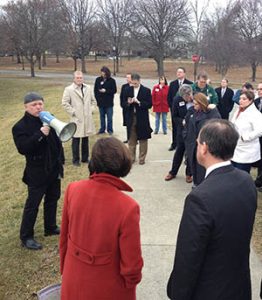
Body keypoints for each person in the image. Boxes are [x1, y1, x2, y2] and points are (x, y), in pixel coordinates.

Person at [167, 119, 257, 300]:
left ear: (204, 148)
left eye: (199, 142)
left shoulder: (199, 198)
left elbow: (188, 256)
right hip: (239, 286)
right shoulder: (246, 181)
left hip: (209, 290)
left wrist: (177, 293)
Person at [60, 137, 143, 300]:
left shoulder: (73, 189)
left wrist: (65, 269)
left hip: (73, 278)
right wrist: (131, 283)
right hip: (107, 288)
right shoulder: (128, 207)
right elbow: (131, 264)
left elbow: (64, 239)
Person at [12, 92, 63, 250]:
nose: (38, 107)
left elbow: (57, 142)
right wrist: (39, 134)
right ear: (26, 107)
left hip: (53, 168)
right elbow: (23, 148)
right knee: (32, 204)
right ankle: (26, 236)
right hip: (36, 171)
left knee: (53, 198)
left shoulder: (49, 118)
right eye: (34, 105)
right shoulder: (19, 127)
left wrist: (60, 160)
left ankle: (50, 227)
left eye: (40, 103)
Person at [184, 93, 221, 186]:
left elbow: (216, 125)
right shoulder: (192, 112)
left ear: (201, 103)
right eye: (193, 103)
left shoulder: (210, 113)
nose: (194, 105)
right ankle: (195, 184)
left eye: (196, 104)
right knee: (194, 167)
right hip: (192, 146)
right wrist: (186, 137)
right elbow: (186, 125)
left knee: (202, 170)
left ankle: (201, 186)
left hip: (204, 147)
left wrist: (214, 109)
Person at [62, 71, 96, 166]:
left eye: (81, 77)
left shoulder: (88, 88)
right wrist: (73, 112)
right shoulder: (69, 89)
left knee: (85, 139)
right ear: (74, 79)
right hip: (76, 119)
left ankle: (85, 159)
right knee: (76, 140)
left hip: (87, 118)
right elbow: (65, 103)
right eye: (77, 78)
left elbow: (93, 101)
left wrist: (91, 110)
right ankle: (75, 160)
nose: (79, 79)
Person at [165, 84, 193, 182]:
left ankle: (189, 174)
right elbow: (174, 116)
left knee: (190, 153)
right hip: (182, 131)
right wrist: (182, 121)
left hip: (193, 131)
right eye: (185, 97)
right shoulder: (177, 100)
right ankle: (173, 172)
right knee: (179, 151)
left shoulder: (195, 100)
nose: (187, 98)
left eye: (188, 96)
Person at [123, 73, 153, 165]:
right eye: (132, 83)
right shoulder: (127, 90)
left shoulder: (146, 90)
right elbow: (122, 103)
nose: (134, 85)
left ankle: (142, 158)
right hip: (131, 117)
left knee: (143, 138)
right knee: (132, 138)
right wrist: (129, 103)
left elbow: (149, 104)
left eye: (135, 83)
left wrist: (139, 102)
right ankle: (131, 158)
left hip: (142, 117)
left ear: (139, 81)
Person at [231, 90, 262, 173]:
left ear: (251, 100)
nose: (240, 100)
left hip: (246, 149)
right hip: (235, 147)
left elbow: (259, 130)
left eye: (244, 99)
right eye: (240, 98)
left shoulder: (255, 114)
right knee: (233, 172)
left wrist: (245, 137)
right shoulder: (238, 110)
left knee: (241, 173)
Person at [167, 67, 193, 151]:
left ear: (184, 73)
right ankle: (174, 143)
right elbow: (170, 97)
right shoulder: (173, 84)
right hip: (175, 109)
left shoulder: (189, 83)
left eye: (180, 72)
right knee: (175, 127)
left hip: (186, 110)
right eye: (177, 72)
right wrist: (172, 106)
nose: (178, 73)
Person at [94, 66, 117, 135]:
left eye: (104, 73)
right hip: (101, 102)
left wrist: (106, 91)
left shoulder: (112, 81)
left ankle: (110, 130)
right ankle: (102, 129)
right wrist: (97, 99)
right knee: (102, 117)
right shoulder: (98, 80)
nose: (102, 74)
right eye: (101, 72)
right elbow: (95, 90)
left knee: (109, 117)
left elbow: (114, 90)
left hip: (109, 102)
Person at [120, 73, 132, 143]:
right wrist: (123, 105)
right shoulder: (124, 86)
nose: (127, 79)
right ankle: (128, 138)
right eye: (126, 77)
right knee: (127, 124)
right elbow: (122, 97)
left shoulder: (134, 86)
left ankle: (134, 139)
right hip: (126, 108)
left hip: (133, 109)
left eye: (129, 77)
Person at [254, 83, 262, 188]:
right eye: (258, 89)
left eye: (261, 89)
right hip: (257, 135)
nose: (259, 91)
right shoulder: (255, 102)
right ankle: (259, 180)